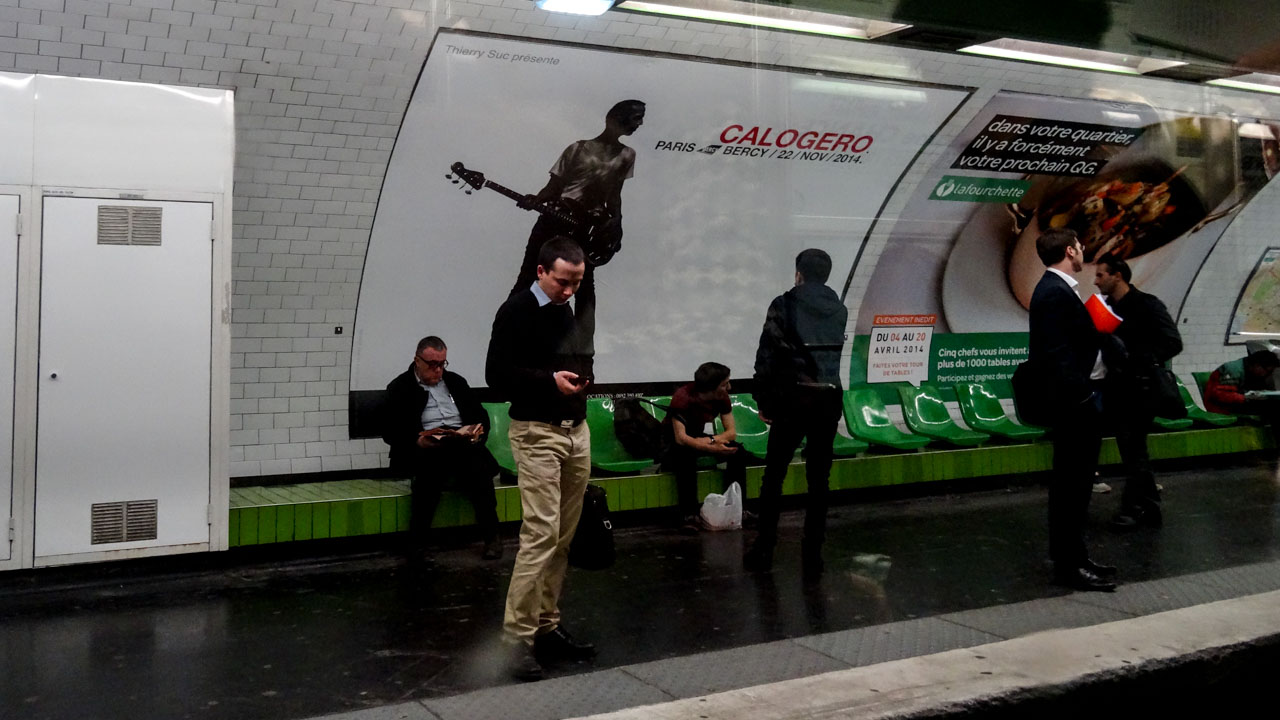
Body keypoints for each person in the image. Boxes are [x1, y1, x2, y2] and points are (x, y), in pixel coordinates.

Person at [486, 237, 597, 682]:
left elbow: (565, 362)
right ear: (541, 271)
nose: (569, 291)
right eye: (562, 282)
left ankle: (546, 626)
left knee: (563, 537)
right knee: (540, 535)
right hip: (537, 433)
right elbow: (497, 376)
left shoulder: (564, 310)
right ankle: (515, 640)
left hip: (575, 431)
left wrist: (580, 378)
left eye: (577, 283)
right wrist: (550, 380)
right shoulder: (515, 311)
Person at [509, 100, 646, 354]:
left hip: (588, 228)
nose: (640, 124)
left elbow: (614, 195)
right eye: (636, 118)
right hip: (555, 221)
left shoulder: (627, 155)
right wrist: (536, 200)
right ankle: (510, 339)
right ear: (618, 117)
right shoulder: (578, 148)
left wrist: (616, 224)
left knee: (584, 290)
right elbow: (554, 187)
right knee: (529, 278)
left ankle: (584, 355)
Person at [744, 249, 847, 578]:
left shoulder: (784, 304)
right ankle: (813, 553)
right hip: (828, 399)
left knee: (774, 476)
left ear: (798, 274)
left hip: (793, 400)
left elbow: (767, 354)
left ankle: (764, 548)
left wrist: (763, 399)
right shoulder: (839, 309)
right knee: (819, 480)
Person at [1029, 228, 1116, 592]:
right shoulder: (1054, 292)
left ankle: (1077, 557)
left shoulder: (1059, 289)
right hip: (1073, 405)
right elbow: (1056, 356)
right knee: (1071, 487)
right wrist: (1081, 397)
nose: (1083, 251)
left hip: (1075, 402)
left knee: (1076, 486)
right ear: (1069, 251)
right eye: (1080, 246)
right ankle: (1069, 565)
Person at [382, 336, 502, 561]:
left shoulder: (455, 382)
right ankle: (417, 540)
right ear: (417, 361)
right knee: (429, 477)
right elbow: (390, 430)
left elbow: (480, 416)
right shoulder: (400, 387)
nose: (438, 370)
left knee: (480, 475)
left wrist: (475, 433)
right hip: (425, 447)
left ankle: (492, 537)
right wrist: (417, 440)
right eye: (432, 364)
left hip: (461, 444)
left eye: (442, 364)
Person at [1094, 255, 1182, 530]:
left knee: (1133, 449)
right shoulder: (1105, 309)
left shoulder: (1147, 305)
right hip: (1116, 389)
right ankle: (1149, 507)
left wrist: (1137, 358)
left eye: (1100, 275)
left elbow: (1173, 342)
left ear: (1118, 275)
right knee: (1132, 449)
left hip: (1141, 388)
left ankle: (1134, 508)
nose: (1096, 281)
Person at [661, 361, 749, 532]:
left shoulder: (722, 398)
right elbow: (681, 438)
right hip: (671, 443)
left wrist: (712, 441)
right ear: (711, 388)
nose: (729, 387)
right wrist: (710, 447)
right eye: (725, 384)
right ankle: (689, 515)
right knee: (685, 455)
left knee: (737, 451)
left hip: (699, 438)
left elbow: (731, 432)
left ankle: (738, 508)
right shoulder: (682, 397)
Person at [1204, 350, 1280, 441]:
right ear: (1257, 365)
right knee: (1274, 409)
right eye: (1267, 371)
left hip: (1241, 402)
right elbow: (1220, 395)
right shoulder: (1233, 370)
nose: (1267, 374)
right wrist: (1245, 398)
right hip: (1221, 406)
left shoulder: (1255, 373)